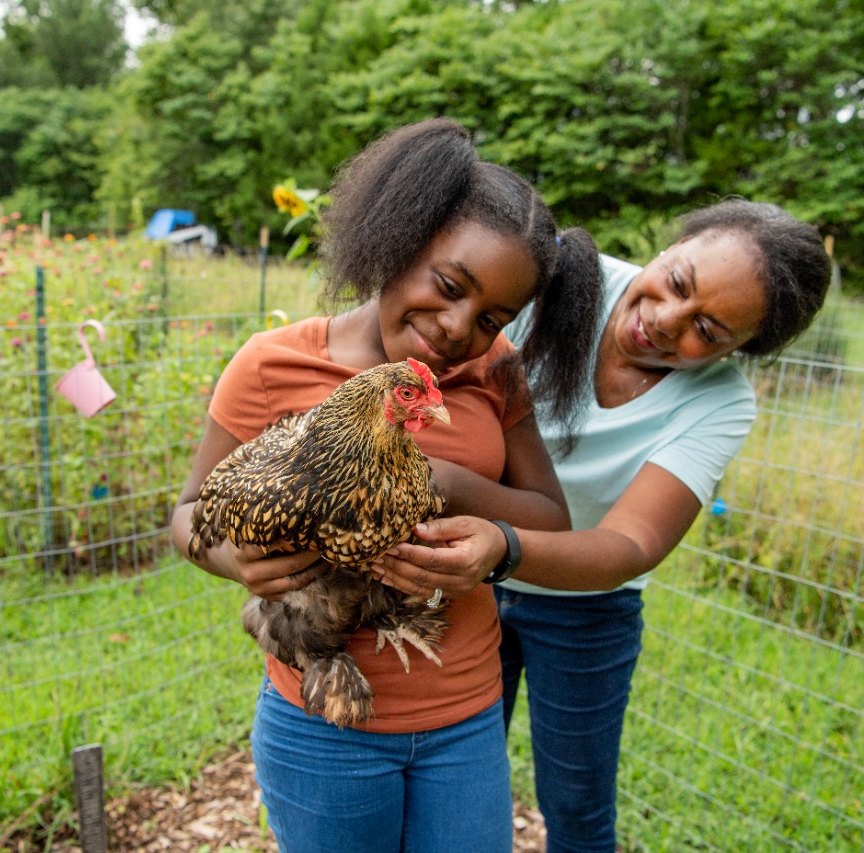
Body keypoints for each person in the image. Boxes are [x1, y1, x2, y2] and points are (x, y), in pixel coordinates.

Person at [169, 117, 602, 853]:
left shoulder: (495, 370)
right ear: (399, 239)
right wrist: (234, 560)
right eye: (449, 285)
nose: (458, 327)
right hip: (322, 726)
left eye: (492, 318)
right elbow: (187, 513)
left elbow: (549, 518)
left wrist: (458, 498)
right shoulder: (271, 363)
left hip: (465, 715)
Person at [372, 198, 832, 853]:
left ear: (741, 350)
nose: (665, 321)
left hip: (585, 610)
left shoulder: (720, 402)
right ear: (670, 248)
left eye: (708, 329)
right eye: (677, 281)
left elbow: (632, 543)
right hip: (458, 585)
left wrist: (502, 547)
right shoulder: (557, 284)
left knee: (578, 804)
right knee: (448, 775)